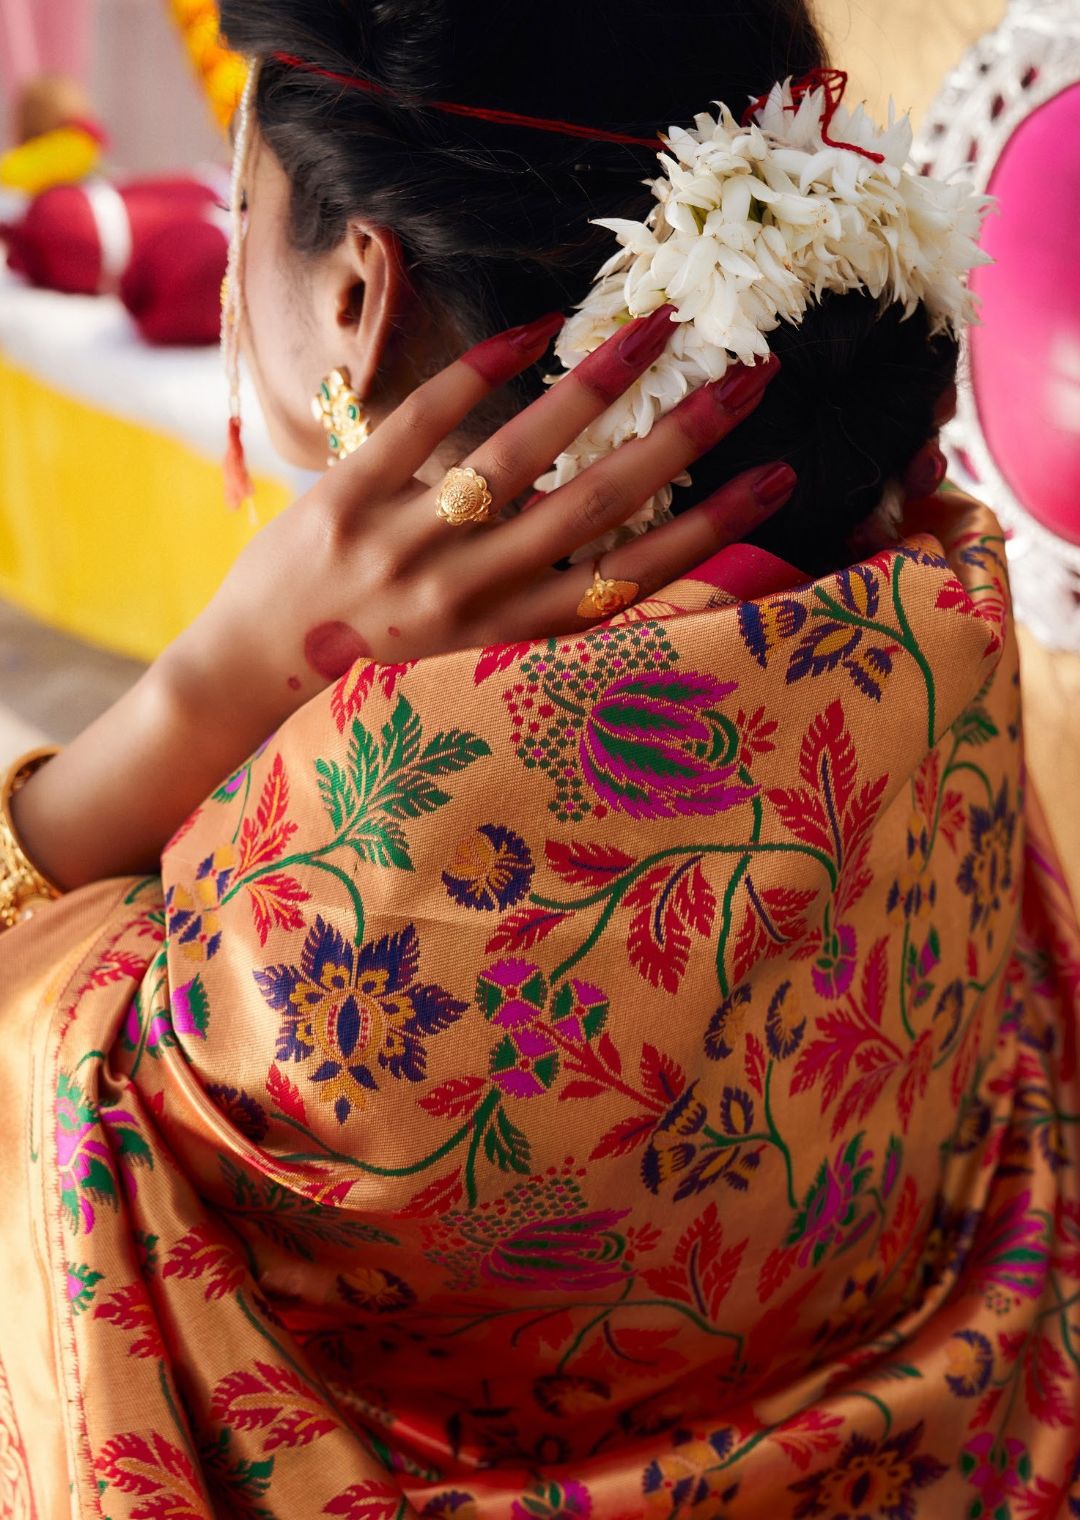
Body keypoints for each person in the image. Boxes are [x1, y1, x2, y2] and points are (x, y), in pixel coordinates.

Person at [1, 2, 1076, 1516]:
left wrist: (205, 688)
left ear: (362, 291)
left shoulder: (311, 911)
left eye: (241, 207)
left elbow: (33, 1069)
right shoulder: (920, 634)